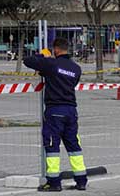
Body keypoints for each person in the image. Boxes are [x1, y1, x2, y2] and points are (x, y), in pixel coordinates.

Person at [24, 38, 87, 192]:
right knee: (73, 145)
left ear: (56, 50)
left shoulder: (51, 64)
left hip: (55, 110)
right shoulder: (76, 68)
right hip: (71, 110)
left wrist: (42, 56)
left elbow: (28, 61)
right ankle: (81, 180)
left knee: (52, 145)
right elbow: (72, 83)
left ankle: (53, 182)